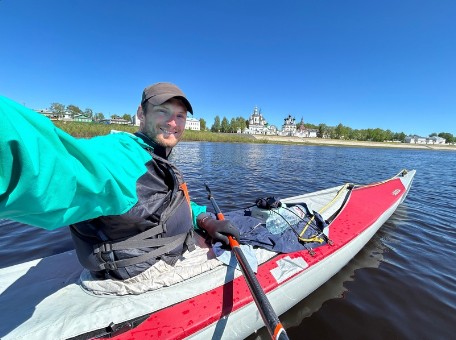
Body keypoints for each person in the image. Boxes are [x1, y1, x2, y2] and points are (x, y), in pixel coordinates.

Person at [0, 82, 240, 280]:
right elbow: (52, 166)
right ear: (140, 114)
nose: (173, 123)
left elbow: (172, 203)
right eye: (162, 111)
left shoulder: (154, 154)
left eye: (180, 115)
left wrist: (205, 220)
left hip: (166, 249)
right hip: (147, 272)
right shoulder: (121, 155)